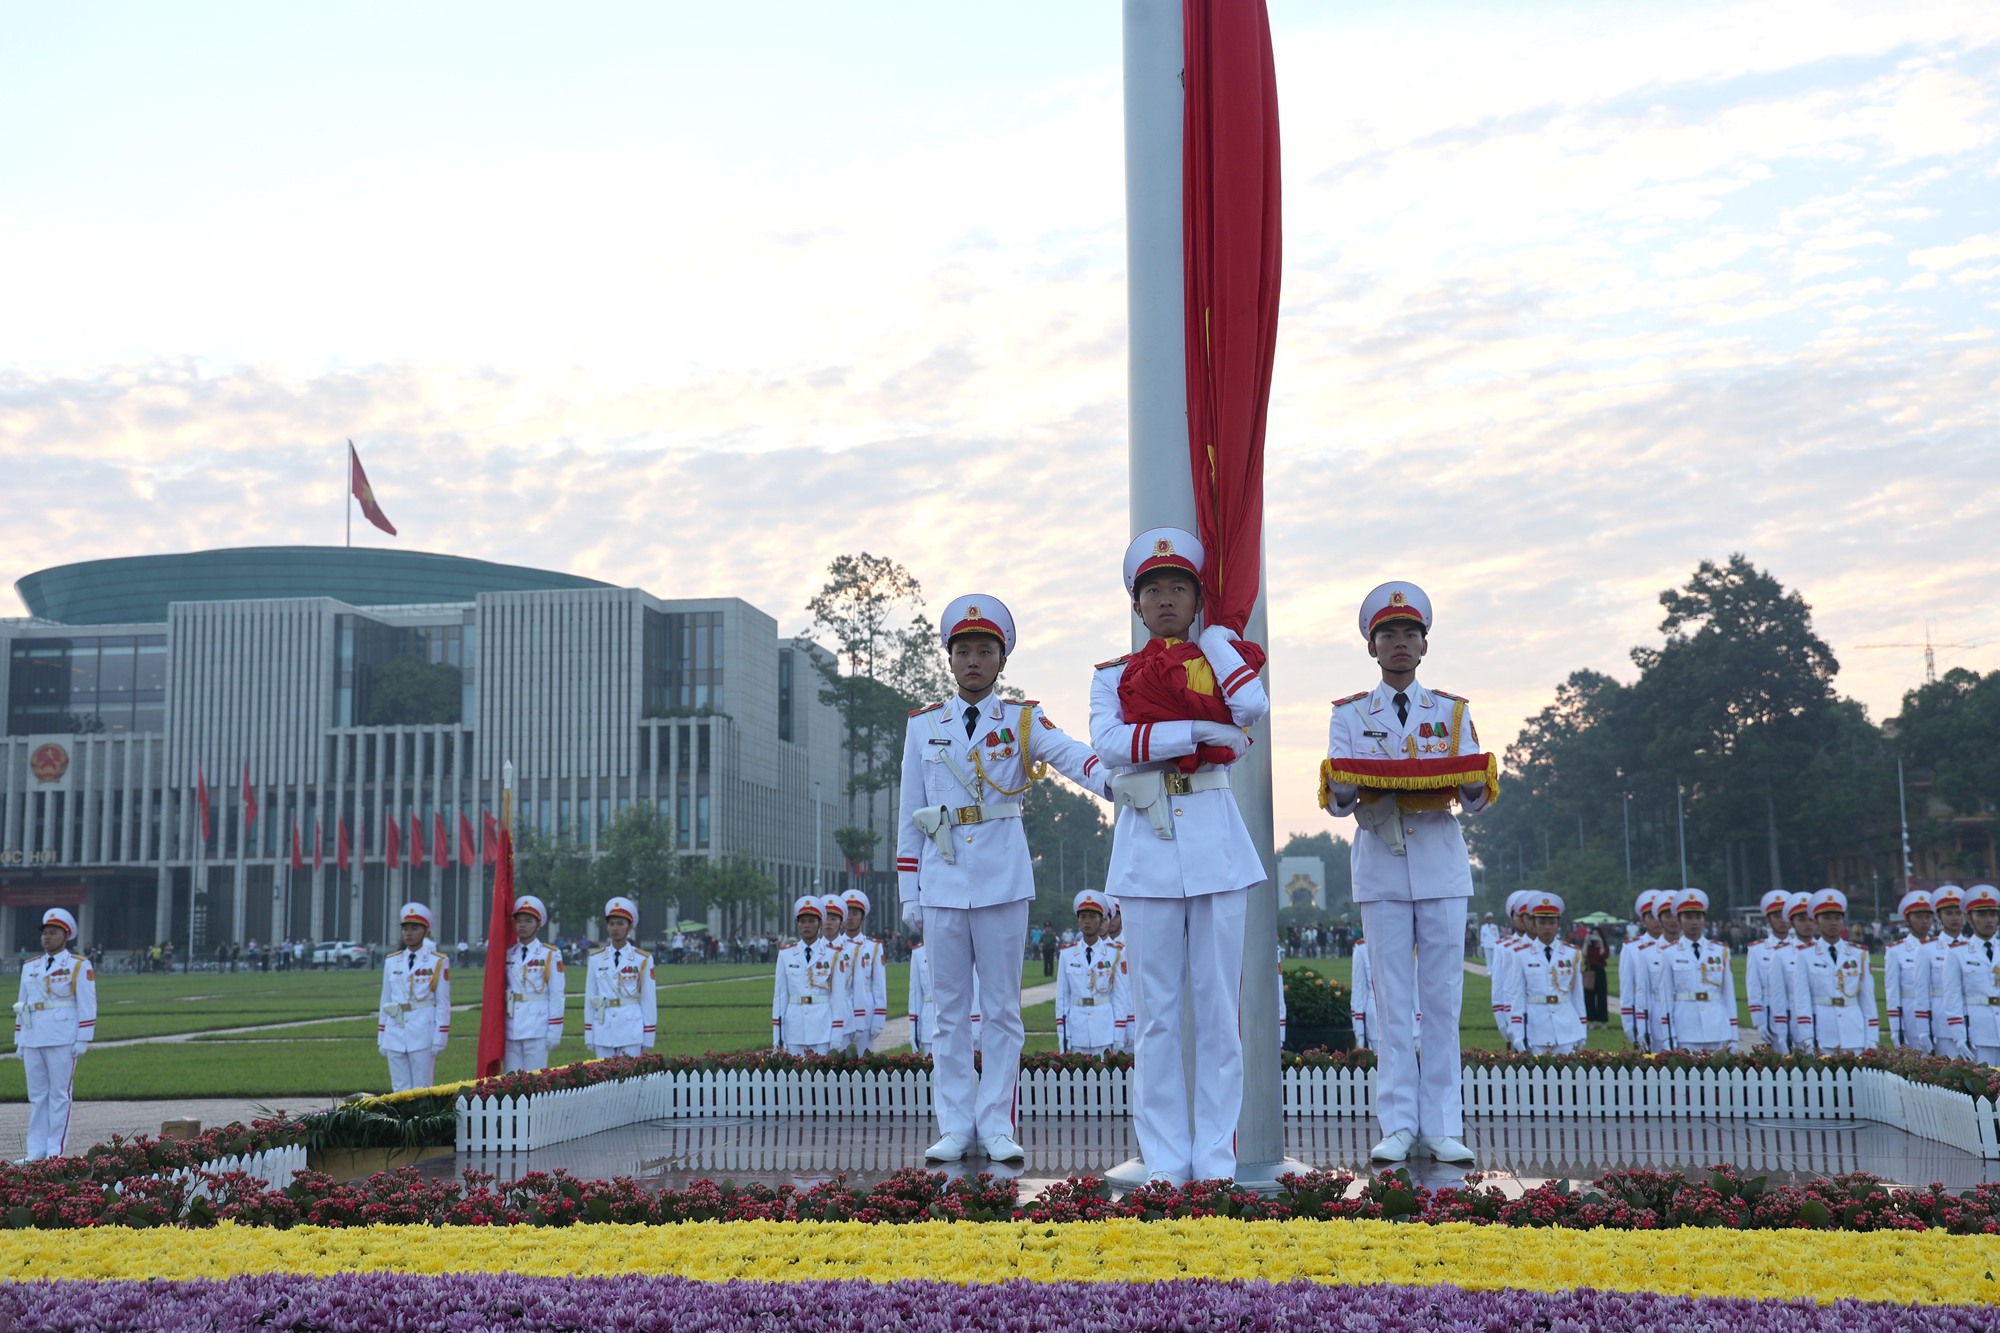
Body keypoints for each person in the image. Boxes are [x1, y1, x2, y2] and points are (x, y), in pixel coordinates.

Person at [899, 593, 1107, 1166]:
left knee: (1001, 1011)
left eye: (984, 650)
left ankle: (996, 1124)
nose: (973, 660)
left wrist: (1114, 775)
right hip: (942, 880)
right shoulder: (924, 726)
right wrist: (908, 890)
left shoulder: (1020, 718)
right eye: (963, 650)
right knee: (947, 1012)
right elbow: (909, 812)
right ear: (949, 658)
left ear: (1001, 659)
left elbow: (1066, 754)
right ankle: (953, 1125)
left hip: (1002, 881)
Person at [1092, 531, 1269, 1185]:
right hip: (1148, 846)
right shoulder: (1113, 675)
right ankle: (1166, 1159)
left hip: (1217, 846)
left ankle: (1215, 1157)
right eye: (1153, 590)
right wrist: (1198, 730)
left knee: (1219, 1011)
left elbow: (1250, 708)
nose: (1165, 599)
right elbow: (1111, 744)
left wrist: (1219, 642)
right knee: (1157, 1017)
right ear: (1137, 605)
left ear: (1198, 598)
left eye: (1178, 587)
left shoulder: (1217, 658)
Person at [1322, 580, 1493, 1167]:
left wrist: (1471, 779)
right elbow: (1339, 797)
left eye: (1410, 634)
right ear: (1373, 648)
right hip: (1382, 860)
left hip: (1441, 861)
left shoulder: (1451, 711)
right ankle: (1396, 1123)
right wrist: (1351, 787)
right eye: (1388, 634)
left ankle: (1444, 1124)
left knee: (1443, 999)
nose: (1400, 643)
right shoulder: (1348, 714)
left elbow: (1475, 794)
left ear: (1424, 646)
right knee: (1392, 1001)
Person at [12, 909, 96, 1161]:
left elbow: (88, 1003)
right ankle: (35, 1151)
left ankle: (54, 1151)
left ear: (65, 936)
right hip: (33, 1036)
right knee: (37, 1097)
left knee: (60, 1095)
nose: (47, 937)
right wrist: (19, 1039)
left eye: (53, 933)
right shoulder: (30, 966)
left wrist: (83, 1037)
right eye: (45, 933)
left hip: (62, 1036)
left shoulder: (78, 965)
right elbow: (22, 1004)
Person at [1788, 888, 1877, 1054]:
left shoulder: (1859, 954)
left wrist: (1871, 1039)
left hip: (1854, 1032)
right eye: (1826, 918)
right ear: (1816, 922)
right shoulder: (1805, 955)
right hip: (1823, 1033)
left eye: (1837, 918)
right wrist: (1807, 1039)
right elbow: (1802, 1001)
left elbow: (1868, 1000)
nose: (1833, 923)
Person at [377, 903, 449, 1092]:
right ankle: (401, 1122)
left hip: (422, 1029)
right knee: (398, 1088)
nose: (408, 933)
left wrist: (440, 1035)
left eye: (414, 928)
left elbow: (443, 1002)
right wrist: (382, 1033)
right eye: (405, 929)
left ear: (426, 931)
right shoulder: (392, 961)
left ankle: (420, 1122)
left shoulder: (437, 961)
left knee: (422, 1087)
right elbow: (385, 1000)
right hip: (395, 1029)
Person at [1500, 893, 1584, 1054]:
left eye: (1551, 922)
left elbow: (1577, 995)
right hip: (1536, 1029)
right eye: (1542, 922)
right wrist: (1517, 1032)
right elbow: (1517, 996)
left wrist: (1582, 1026)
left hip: (1568, 1028)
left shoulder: (1571, 953)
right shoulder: (1521, 955)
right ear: (1533, 923)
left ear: (1558, 924)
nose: (1547, 927)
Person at [1659, 888, 1737, 1054]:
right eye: (1688, 917)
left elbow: (1728, 994)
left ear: (1704, 920)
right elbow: (1665, 996)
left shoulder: (1720, 950)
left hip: (1718, 1026)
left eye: (1698, 917)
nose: (1694, 922)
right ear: (1679, 920)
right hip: (1686, 1027)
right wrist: (1668, 1036)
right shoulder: (1669, 953)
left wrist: (1734, 1035)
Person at [1055, 889, 1130, 1056]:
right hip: (1076, 1029)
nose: (1087, 921)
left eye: (1092, 917)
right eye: (1083, 917)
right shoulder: (1067, 954)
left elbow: (1120, 997)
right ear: (1078, 921)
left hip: (1104, 1029)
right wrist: (1063, 1035)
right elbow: (1062, 999)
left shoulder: (1115, 953)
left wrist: (1118, 1035)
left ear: (1102, 920)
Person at [584, 897, 656, 1059]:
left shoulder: (642, 959)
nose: (615, 928)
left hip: (631, 1027)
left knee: (628, 1079)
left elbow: (648, 999)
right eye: (611, 924)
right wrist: (589, 1032)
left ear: (629, 926)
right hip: (604, 1026)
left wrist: (649, 1034)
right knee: (604, 1080)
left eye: (620, 923)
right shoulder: (596, 958)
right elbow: (590, 997)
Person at [1936, 884, 2000, 1064]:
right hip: (1978, 1032)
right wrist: (1958, 1036)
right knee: (1984, 1086)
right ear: (1969, 918)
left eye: (1993, 914)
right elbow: (1952, 996)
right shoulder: (1957, 953)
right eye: (1981, 915)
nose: (1989, 920)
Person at [503, 894, 565, 1072]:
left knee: (534, 1081)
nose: (522, 925)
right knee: (510, 1080)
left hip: (537, 1025)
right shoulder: (508, 953)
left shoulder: (550, 954)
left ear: (538, 924)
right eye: (519, 921)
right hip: (511, 1024)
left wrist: (554, 1030)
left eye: (528, 921)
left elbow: (556, 995)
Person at [775, 896, 837, 1055]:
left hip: (822, 1026)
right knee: (796, 1077)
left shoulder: (832, 955)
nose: (806, 925)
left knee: (821, 1077)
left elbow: (838, 998)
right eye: (802, 921)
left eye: (811, 921)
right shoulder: (786, 954)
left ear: (820, 923)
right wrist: (778, 1036)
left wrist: (837, 1035)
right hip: (794, 1026)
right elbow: (780, 997)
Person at [835, 889, 887, 1053]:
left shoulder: (873, 947)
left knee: (863, 1056)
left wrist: (879, 1018)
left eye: (855, 913)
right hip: (841, 1004)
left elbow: (879, 985)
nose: (850, 917)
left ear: (863, 917)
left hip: (866, 1006)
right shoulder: (833, 946)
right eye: (847, 913)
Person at [1884, 889, 1935, 1053]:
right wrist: (1895, 1028)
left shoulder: (1941, 948)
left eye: (1928, 917)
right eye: (1919, 917)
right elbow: (1892, 991)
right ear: (1908, 919)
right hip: (1911, 1013)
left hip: (1938, 1011)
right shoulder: (1896, 950)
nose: (1924, 922)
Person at [1743, 890, 1789, 1050]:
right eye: (1776, 916)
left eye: (1784, 915)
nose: (1782, 920)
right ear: (1768, 919)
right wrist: (1759, 1022)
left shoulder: (1803, 949)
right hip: (1772, 1014)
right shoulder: (1757, 950)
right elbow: (1754, 987)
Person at [1617, 892, 1661, 1046]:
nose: (1657, 921)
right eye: (1651, 916)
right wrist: (1630, 1026)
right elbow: (1627, 991)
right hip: (1647, 1019)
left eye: (1660, 915)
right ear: (1643, 920)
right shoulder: (1632, 949)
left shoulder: (1680, 947)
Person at [1929, 885, 1969, 1056]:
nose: (1955, 918)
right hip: (1942, 1017)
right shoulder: (1928, 949)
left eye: (1958, 913)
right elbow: (1922, 991)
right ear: (1939, 916)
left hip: (1972, 1017)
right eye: (1948, 913)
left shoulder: (1971, 946)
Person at [1349, 934, 1371, 1049]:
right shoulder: (1362, 948)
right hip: (1376, 1011)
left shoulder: (1410, 945)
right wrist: (1359, 1031)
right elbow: (1359, 988)